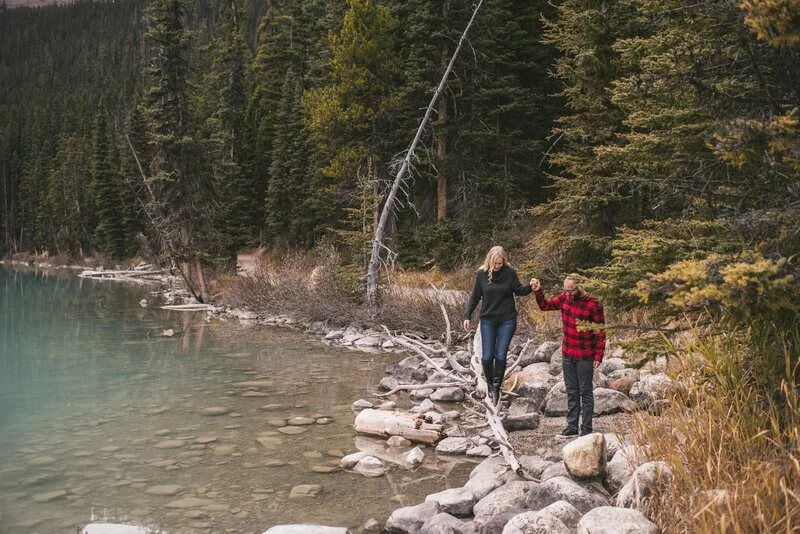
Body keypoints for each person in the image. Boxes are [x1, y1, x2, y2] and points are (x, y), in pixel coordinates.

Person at [530, 275, 606, 436]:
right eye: (565, 289)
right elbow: (546, 306)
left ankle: (586, 430)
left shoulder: (593, 303)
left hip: (585, 354)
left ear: (579, 287)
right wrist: (538, 291)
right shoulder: (565, 297)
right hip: (568, 353)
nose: (567, 293)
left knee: (585, 392)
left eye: (570, 290)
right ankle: (572, 427)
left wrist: (598, 355)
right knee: (571, 391)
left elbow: (600, 331)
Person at [463, 246, 534, 405]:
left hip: (507, 321)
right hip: (488, 320)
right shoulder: (481, 274)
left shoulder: (509, 273)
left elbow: (519, 290)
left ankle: (496, 388)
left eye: (500, 264)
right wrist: (467, 316)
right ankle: (489, 384)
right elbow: (475, 297)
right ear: (489, 261)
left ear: (504, 261)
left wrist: (530, 287)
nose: (497, 266)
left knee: (500, 356)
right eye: (495, 263)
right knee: (487, 358)